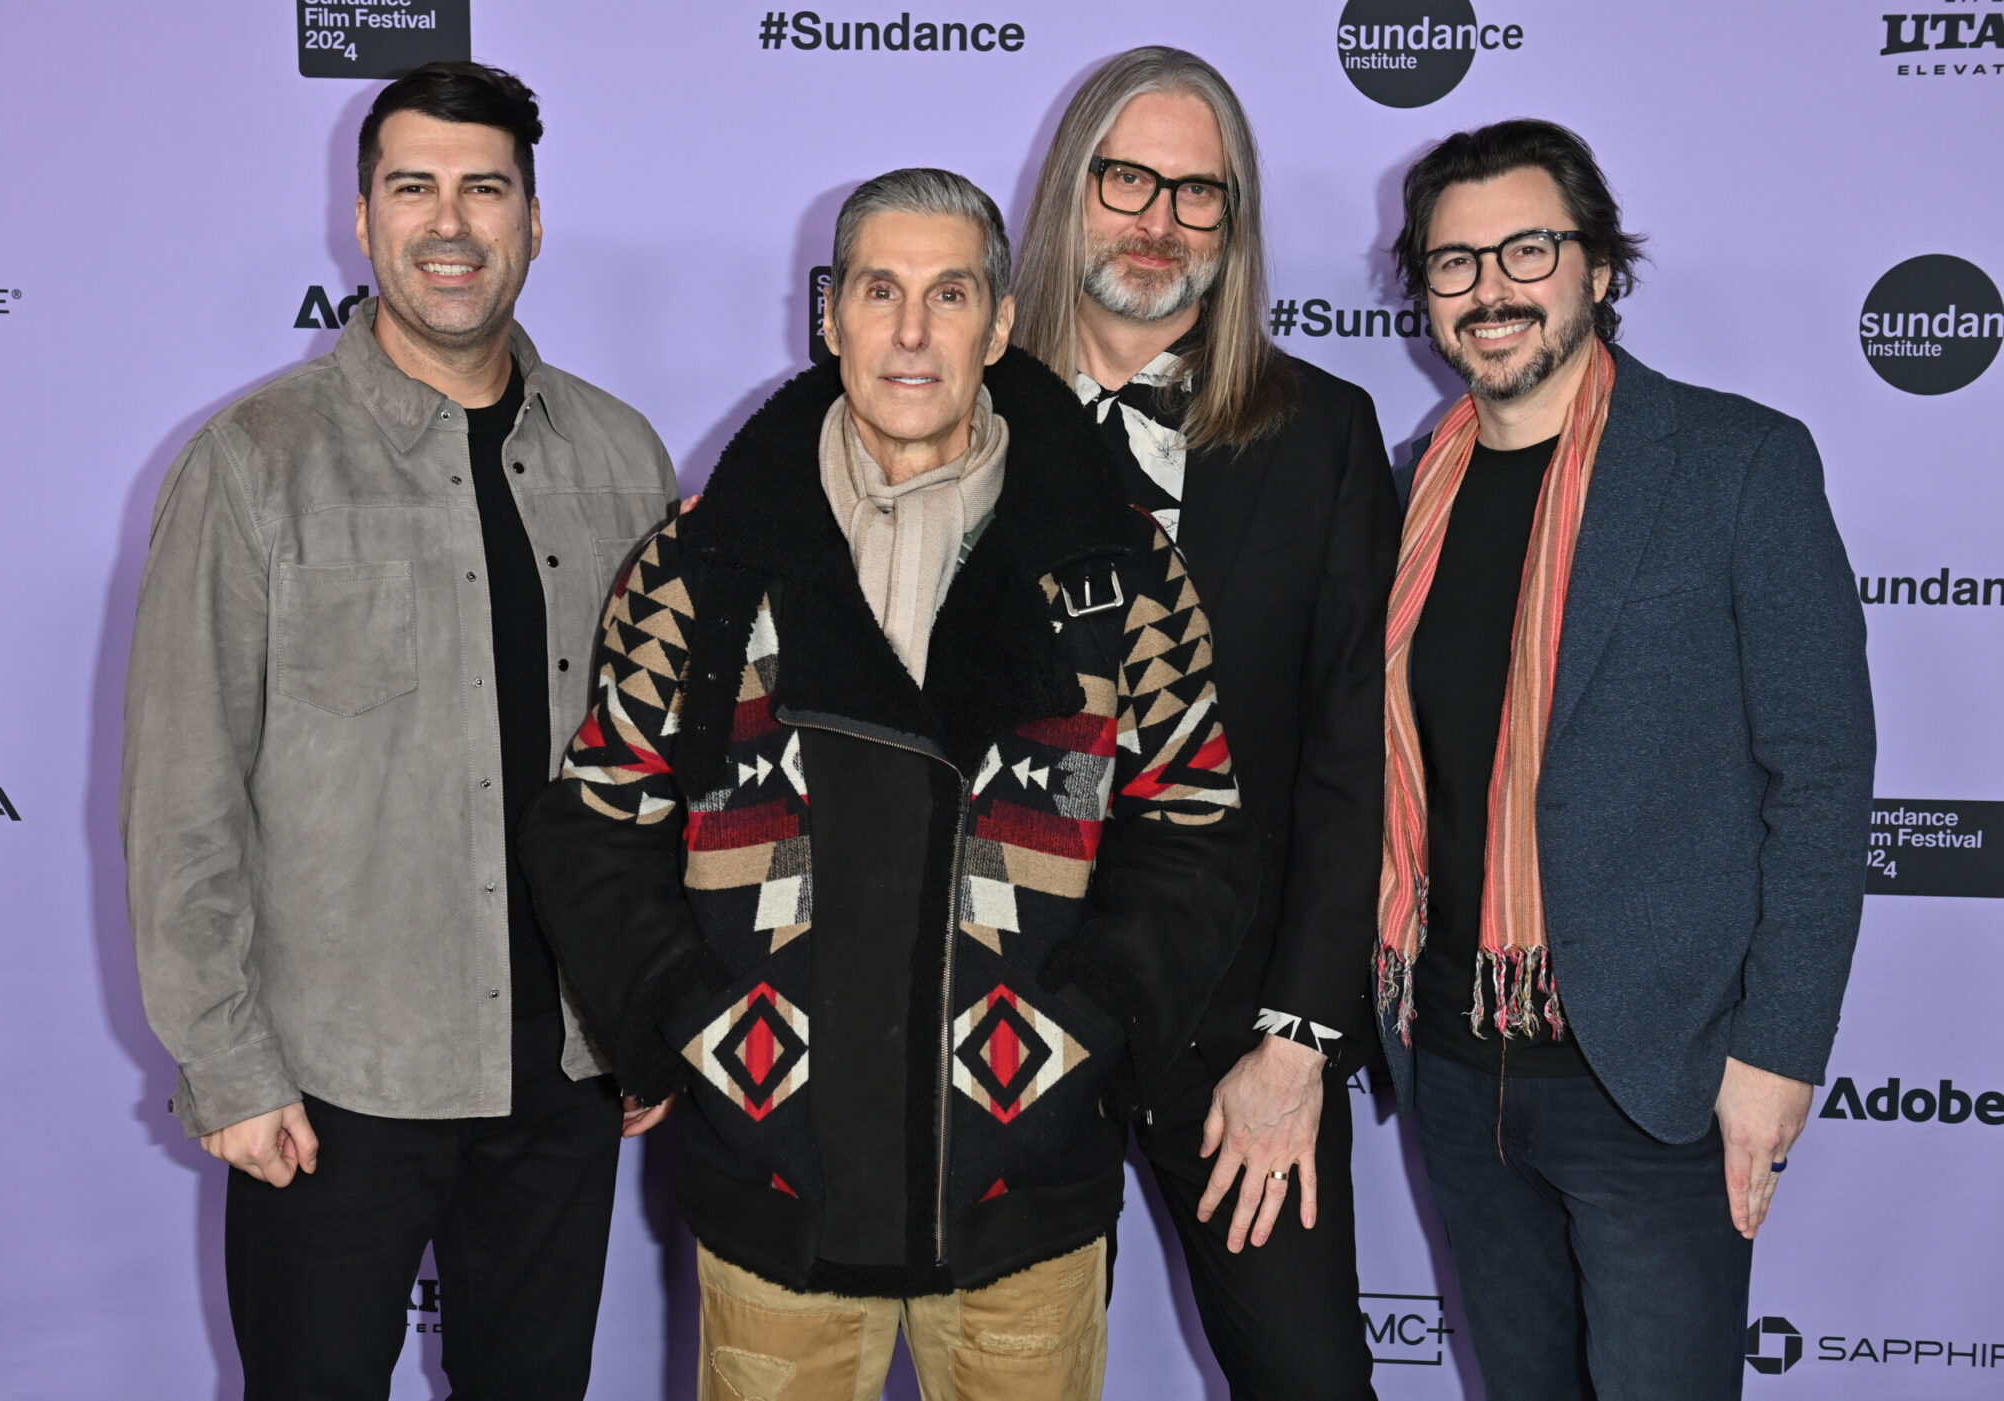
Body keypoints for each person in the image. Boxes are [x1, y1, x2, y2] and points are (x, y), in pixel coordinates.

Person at [520, 167, 1258, 1401]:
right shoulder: (701, 564)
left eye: (949, 293)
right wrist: (690, 1025)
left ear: (1001, 322)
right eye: (879, 291)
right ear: (829, 316)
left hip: (1024, 1203)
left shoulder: (1118, 565)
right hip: (774, 1204)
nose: (911, 333)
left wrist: (1087, 1025)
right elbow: (598, 821)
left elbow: (1195, 824)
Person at [120, 61, 677, 1400]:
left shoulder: (624, 458)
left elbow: (668, 772)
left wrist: (658, 1002)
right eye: (412, 186)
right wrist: (230, 1065)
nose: (450, 221)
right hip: (331, 1086)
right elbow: (183, 787)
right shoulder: (255, 461)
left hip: (563, 1075)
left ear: (533, 222)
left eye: (485, 188)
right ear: (362, 223)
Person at [1376, 118, 1875, 1401]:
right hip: (1451, 1064)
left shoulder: (1734, 463)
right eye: (1452, 263)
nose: (1488, 288)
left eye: (1525, 250)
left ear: (1598, 268)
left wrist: (1774, 1061)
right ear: (1422, 293)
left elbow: (1818, 780)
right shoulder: (1399, 491)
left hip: (1651, 1078)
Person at [1011, 47, 1397, 1399]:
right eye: (1129, 179)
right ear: (1071, 190)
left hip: (1241, 1034)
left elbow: (1357, 760)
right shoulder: (952, 416)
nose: (1158, 222)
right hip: (1001, 1027)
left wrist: (1301, 1039)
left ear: (1233, 230)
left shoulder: (1322, 434)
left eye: (1199, 194)